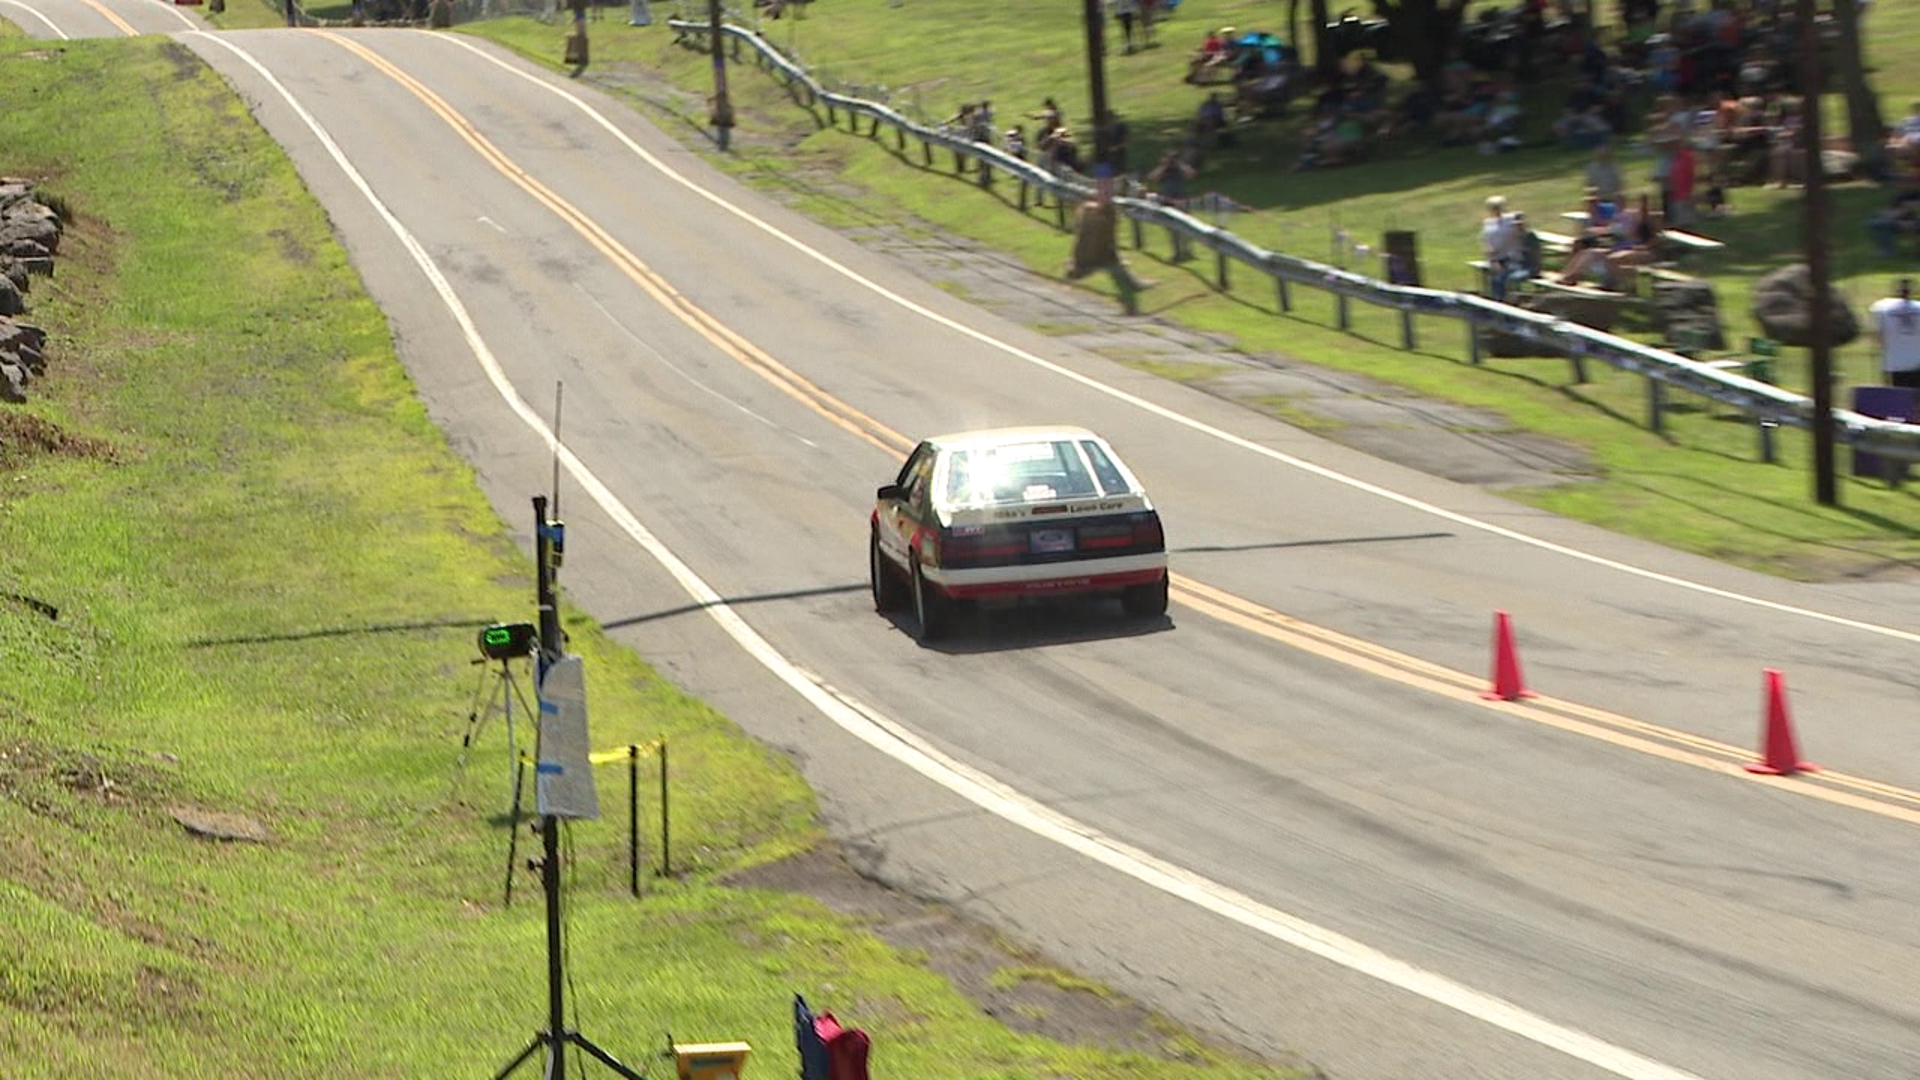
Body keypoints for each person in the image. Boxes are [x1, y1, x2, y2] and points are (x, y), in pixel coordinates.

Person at [1870, 279, 1920, 390]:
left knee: (1896, 400)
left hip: (1894, 364)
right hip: (1917, 363)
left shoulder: (1882, 308)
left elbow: (1878, 336)